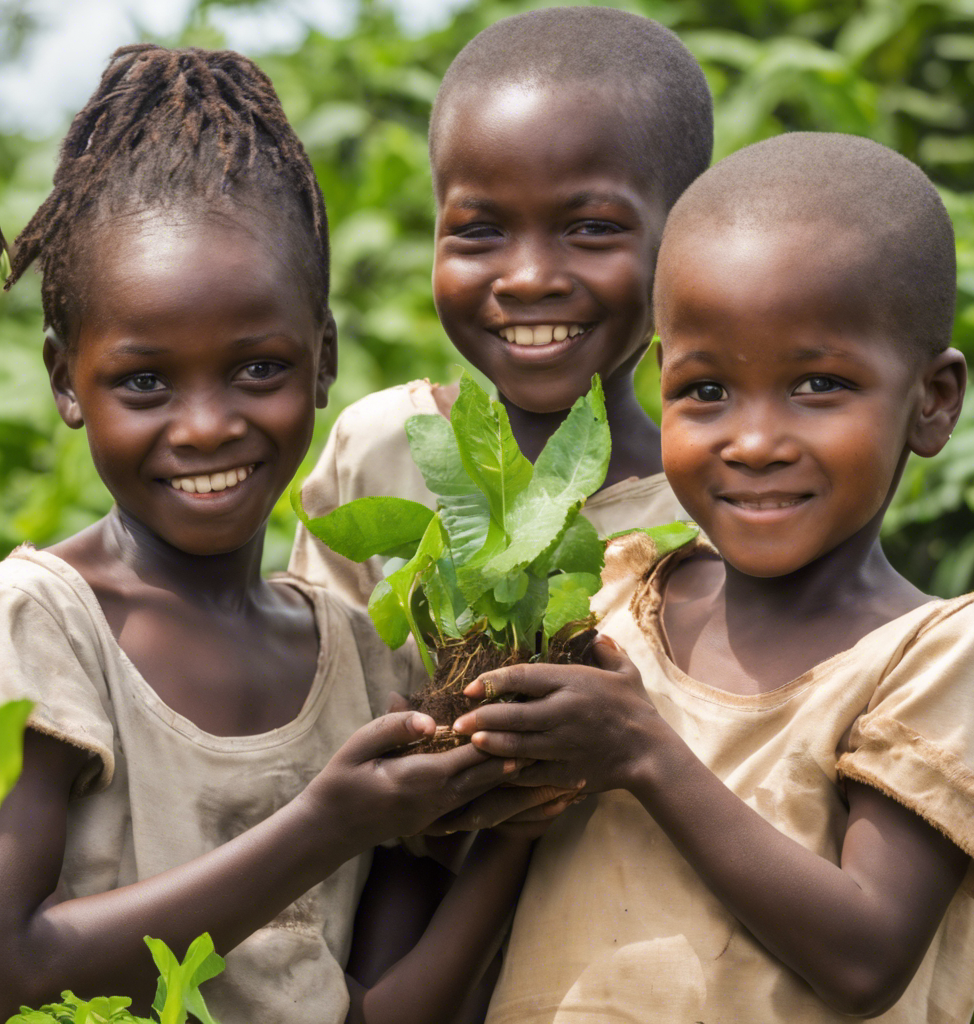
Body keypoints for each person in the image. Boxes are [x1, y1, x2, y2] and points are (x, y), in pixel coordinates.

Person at [0, 45, 568, 1024]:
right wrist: (324, 824)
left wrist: (525, 816)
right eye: (145, 381)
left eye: (257, 368)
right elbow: (15, 969)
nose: (208, 423)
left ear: (323, 361)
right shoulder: (45, 623)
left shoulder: (351, 655)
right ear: (63, 379)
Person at [449, 133, 974, 1023]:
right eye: (707, 391)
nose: (753, 443)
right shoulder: (616, 601)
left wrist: (644, 754)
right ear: (660, 382)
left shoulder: (940, 650)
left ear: (932, 400)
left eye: (820, 384)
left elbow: (868, 958)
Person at [289, 6, 714, 605]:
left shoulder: (716, 512)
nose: (529, 279)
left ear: (686, 240)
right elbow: (332, 671)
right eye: (481, 231)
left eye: (591, 228)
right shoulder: (385, 452)